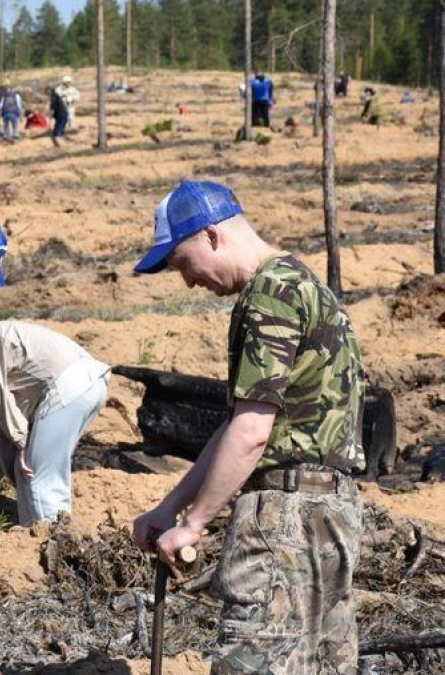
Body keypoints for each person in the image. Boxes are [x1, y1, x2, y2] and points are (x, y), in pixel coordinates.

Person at [130, 180, 365, 675]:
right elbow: (240, 425)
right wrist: (171, 507)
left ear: (211, 236)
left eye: (180, 263)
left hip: (286, 517)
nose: (189, 282)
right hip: (335, 514)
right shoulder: (303, 284)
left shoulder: (270, 295)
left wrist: (194, 525)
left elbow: (252, 434)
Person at [0, 321, 109, 525]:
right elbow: (0, 436)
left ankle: (54, 542)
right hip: (86, 384)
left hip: (69, 385)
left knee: (37, 474)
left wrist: (21, 443)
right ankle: (32, 538)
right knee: (23, 468)